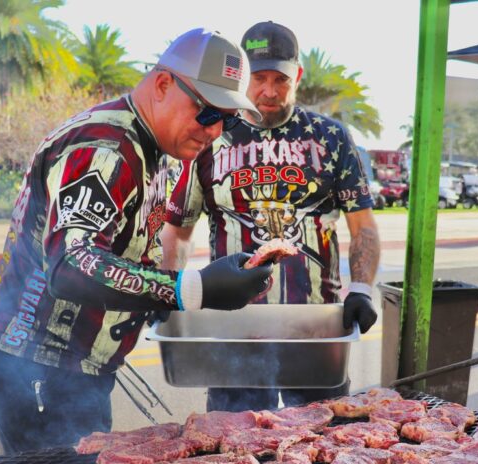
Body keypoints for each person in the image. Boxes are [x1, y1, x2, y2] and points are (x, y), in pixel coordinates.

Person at [0, 28, 275, 454]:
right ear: (163, 84)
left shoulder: (156, 148)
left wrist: (158, 299)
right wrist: (193, 288)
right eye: (207, 113)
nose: (215, 131)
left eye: (229, 119)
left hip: (74, 362)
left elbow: (124, 250)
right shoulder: (104, 148)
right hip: (37, 360)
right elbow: (71, 266)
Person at [160, 21, 381, 412]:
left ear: (297, 74)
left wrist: (361, 288)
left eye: (280, 79)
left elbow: (361, 226)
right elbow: (178, 231)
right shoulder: (212, 136)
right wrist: (170, 289)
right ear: (242, 76)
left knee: (319, 449)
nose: (269, 91)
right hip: (234, 328)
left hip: (315, 329)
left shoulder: (330, 137)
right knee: (237, 450)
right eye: (259, 78)